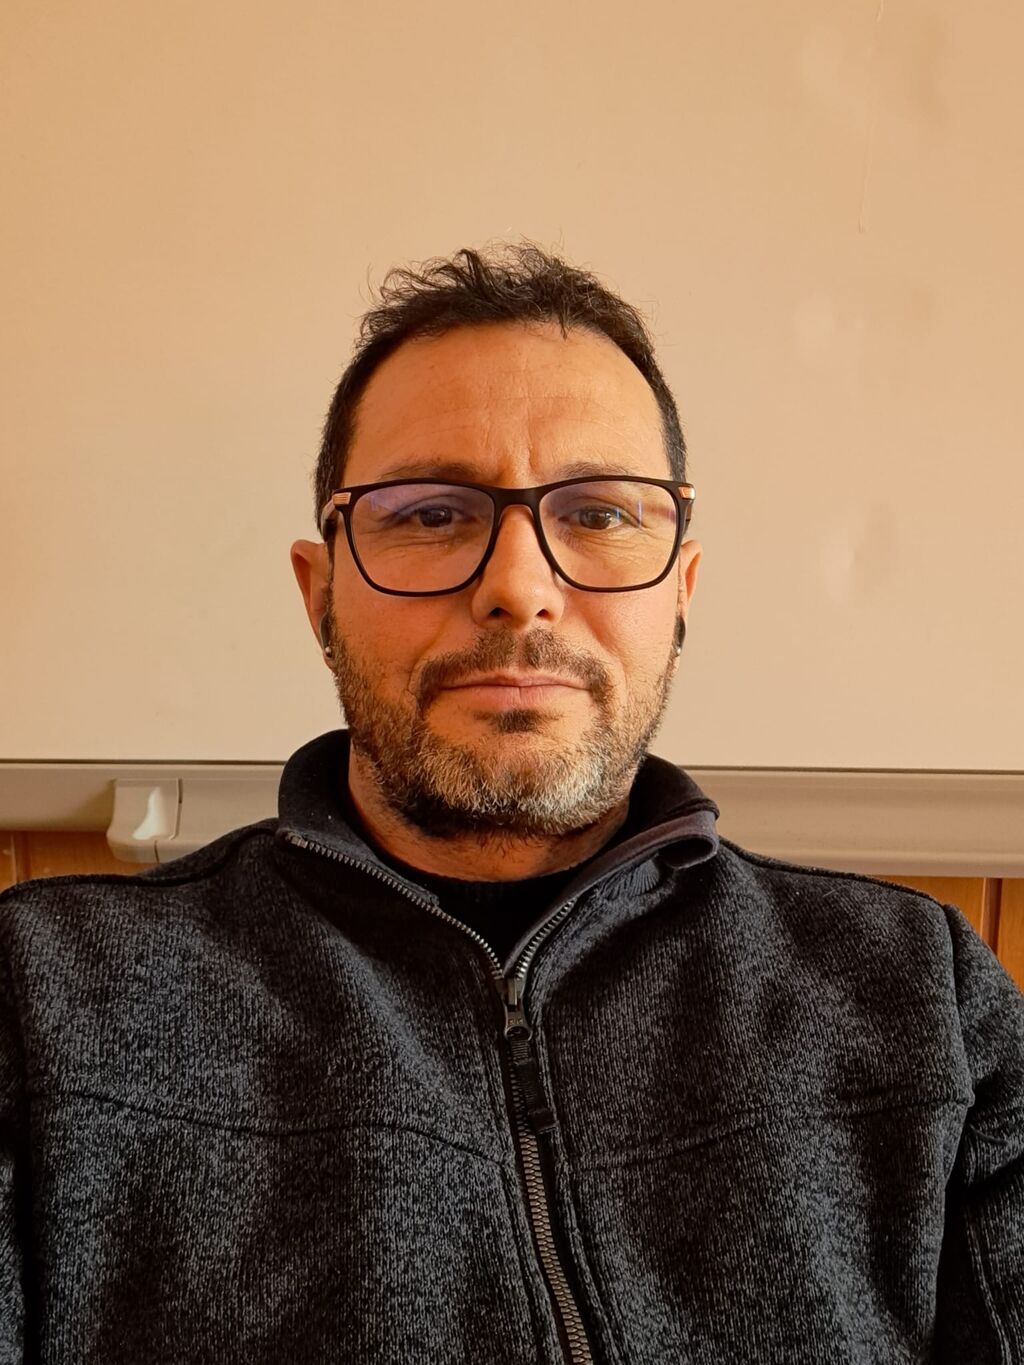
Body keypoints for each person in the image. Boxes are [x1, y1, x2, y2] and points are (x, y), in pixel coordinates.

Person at [1, 243, 1021, 1365]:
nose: (519, 586)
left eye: (600, 514)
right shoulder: (47, 997)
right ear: (321, 593)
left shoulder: (916, 992)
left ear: (680, 589)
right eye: (429, 513)